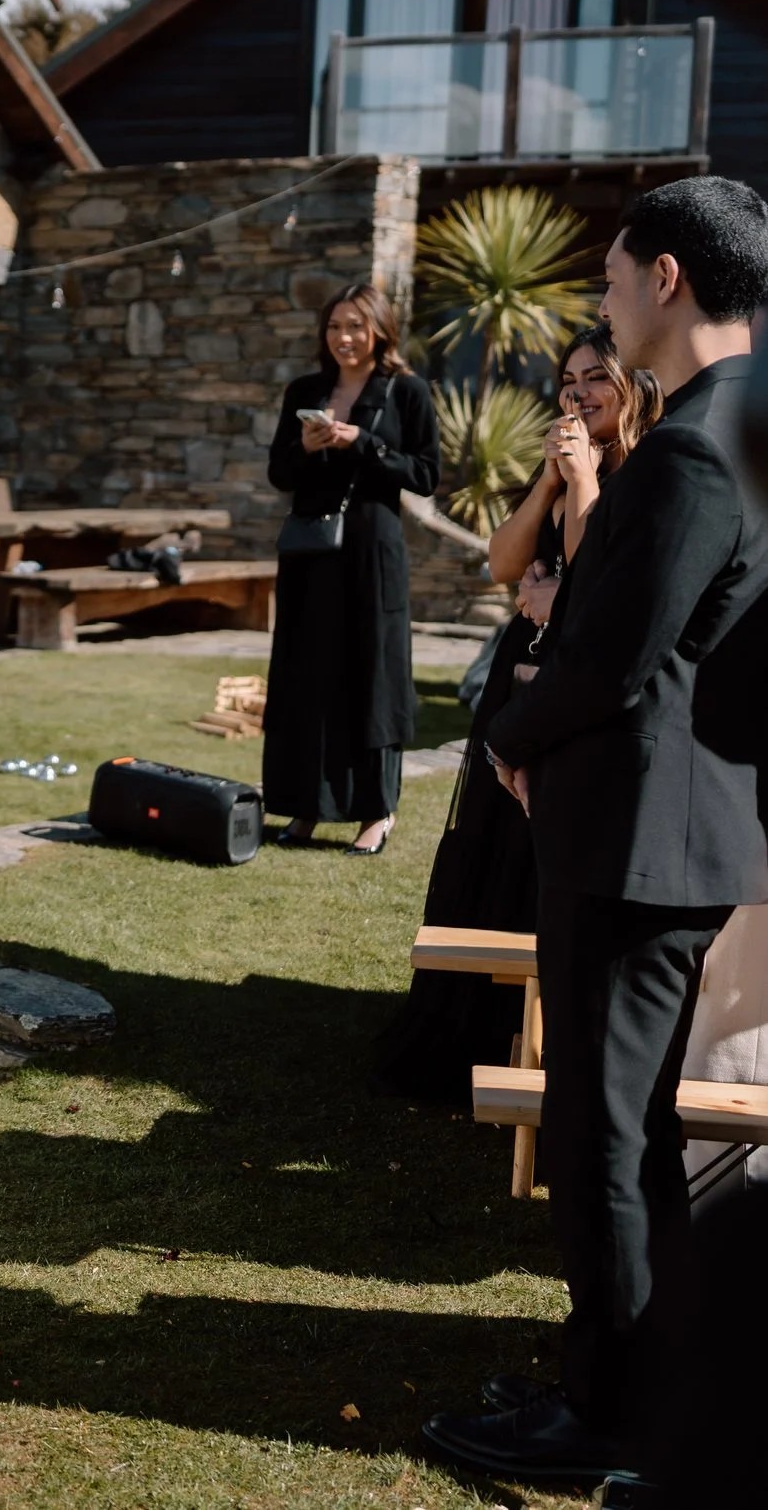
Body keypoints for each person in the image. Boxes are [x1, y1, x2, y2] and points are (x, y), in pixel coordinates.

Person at [425, 176, 768, 1492]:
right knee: (620, 1128)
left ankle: (610, 1415)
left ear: (668, 279)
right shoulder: (744, 424)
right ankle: (625, 1378)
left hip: (634, 837)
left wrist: (510, 732)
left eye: (616, 280)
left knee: (600, 1131)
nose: (608, 308)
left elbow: (618, 652)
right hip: (672, 831)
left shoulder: (691, 446)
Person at [373, 327, 661, 1101]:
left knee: (546, 860)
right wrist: (548, 482)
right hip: (517, 685)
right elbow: (503, 564)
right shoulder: (565, 473)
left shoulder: (646, 475)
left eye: (596, 377)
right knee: (495, 849)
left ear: (632, 385)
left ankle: (537, 1041)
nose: (578, 393)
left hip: (571, 700)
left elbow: (597, 589)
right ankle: (479, 1025)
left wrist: (578, 508)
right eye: (569, 380)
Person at [263, 282, 441, 855]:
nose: (344, 337)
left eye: (356, 327)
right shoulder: (304, 390)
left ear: (380, 330)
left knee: (372, 675)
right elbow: (278, 472)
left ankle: (375, 812)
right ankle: (307, 806)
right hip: (312, 551)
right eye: (335, 326)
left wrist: (361, 442)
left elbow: (426, 475)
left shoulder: (407, 392)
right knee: (308, 674)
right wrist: (311, 446)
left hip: (371, 551)